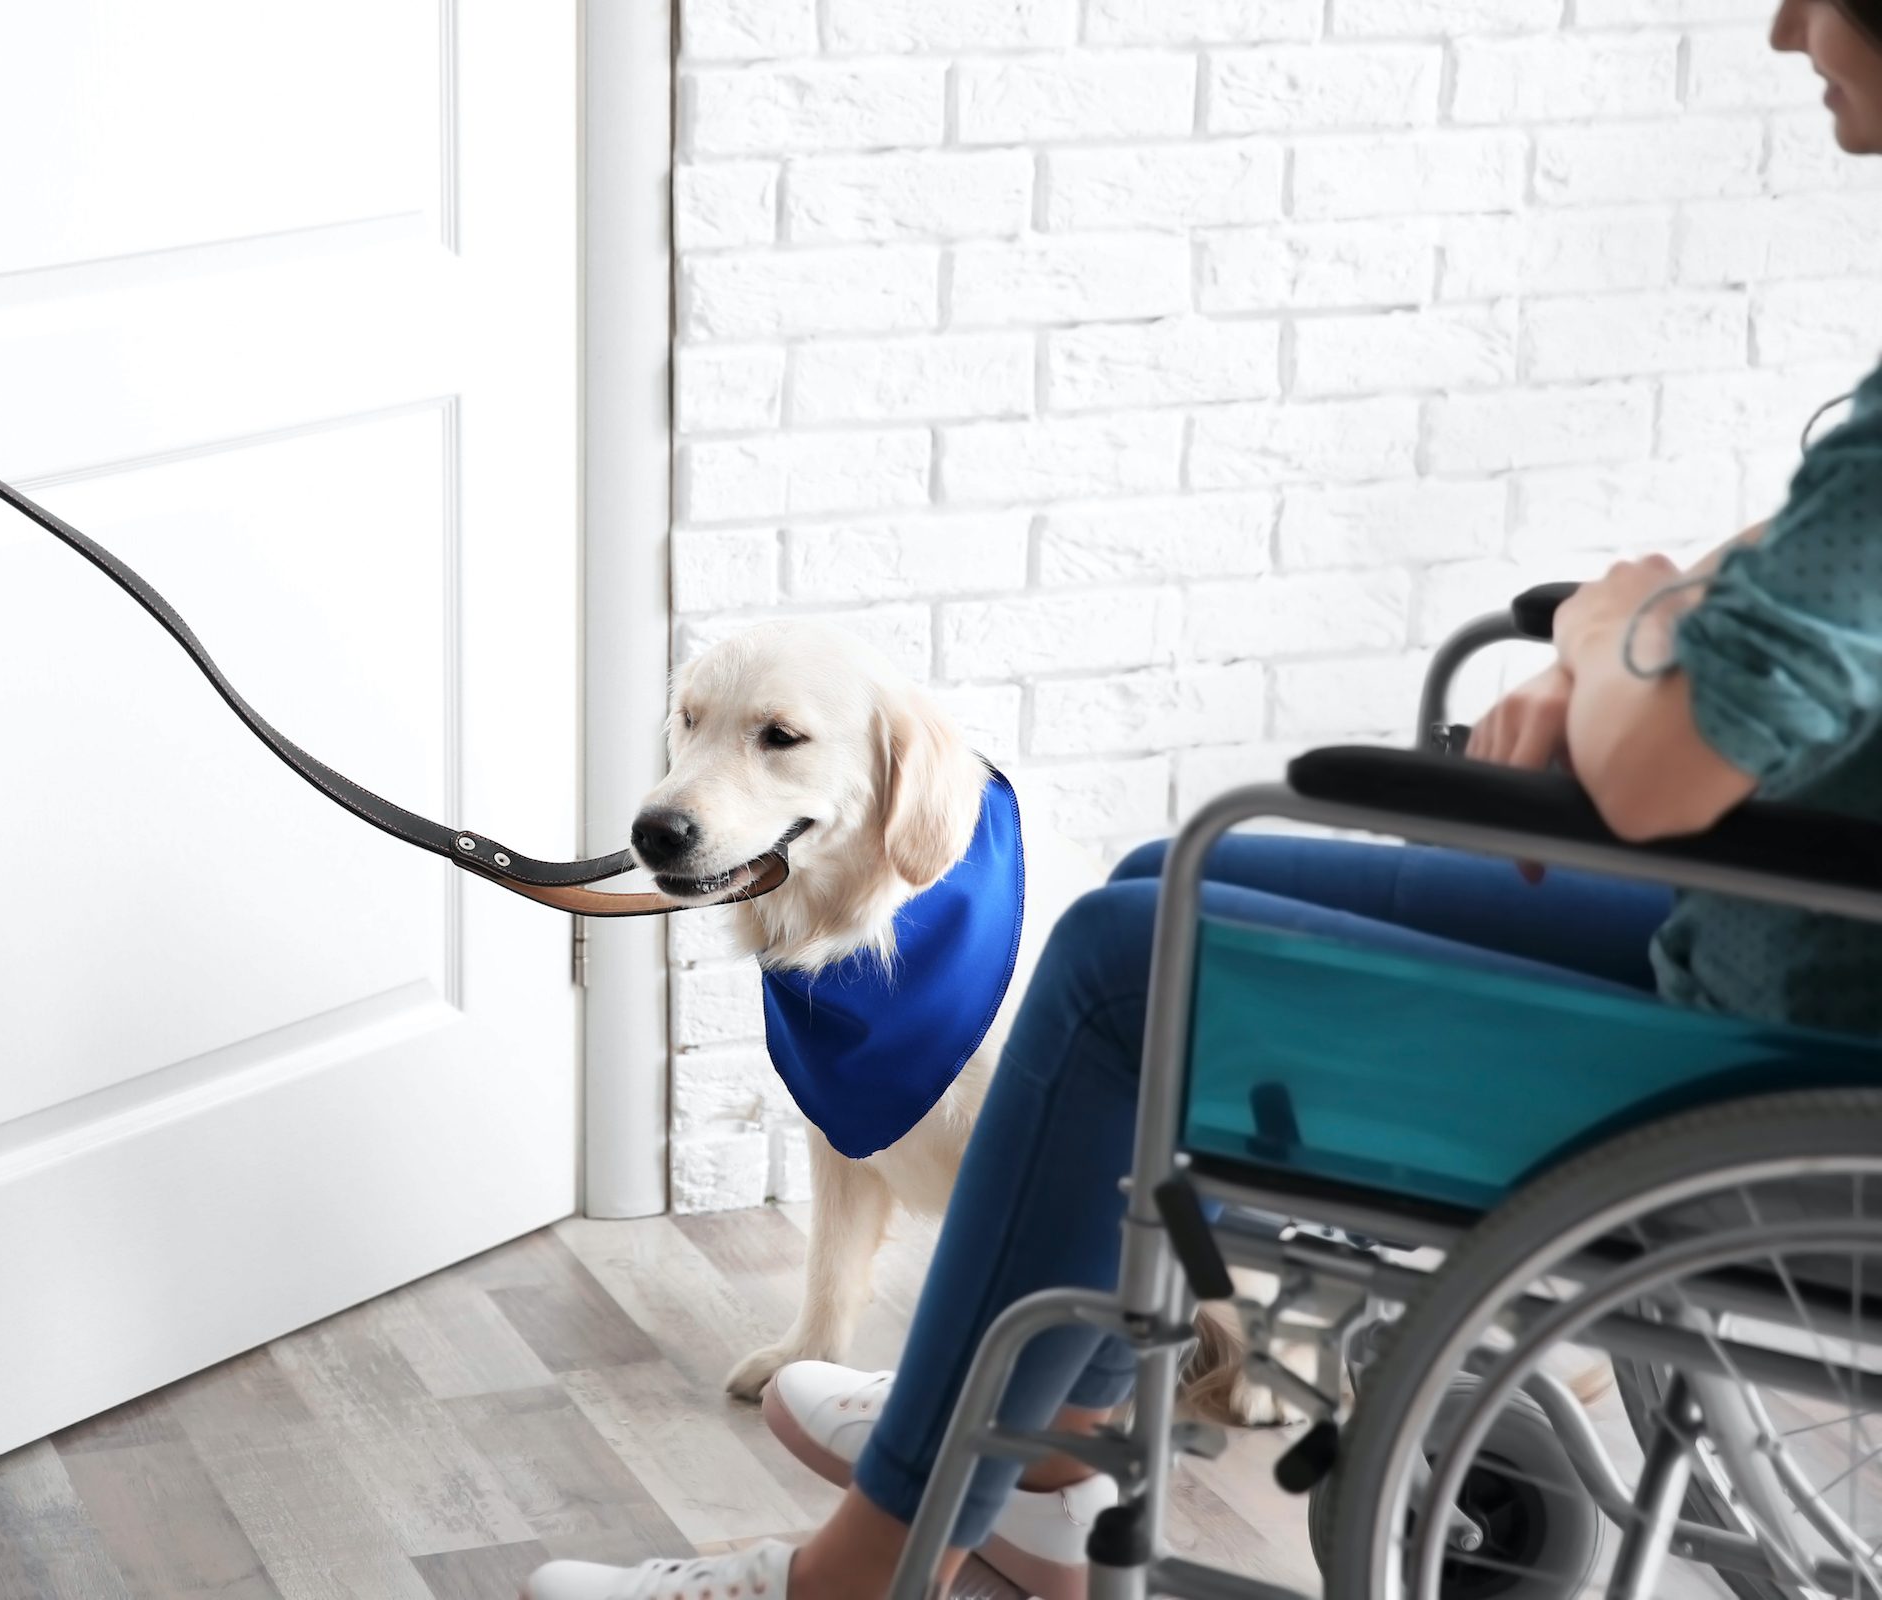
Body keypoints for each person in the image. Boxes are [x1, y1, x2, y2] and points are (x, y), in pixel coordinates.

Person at [524, 3, 1882, 1594]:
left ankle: (857, 1565)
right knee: (1168, 878)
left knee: (1119, 972)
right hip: (1778, 943)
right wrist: (1662, 617)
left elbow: (1656, 765)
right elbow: (1769, 606)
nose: (1786, 24)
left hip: (1784, 1028)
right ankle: (1029, 1459)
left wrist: (1609, 629)